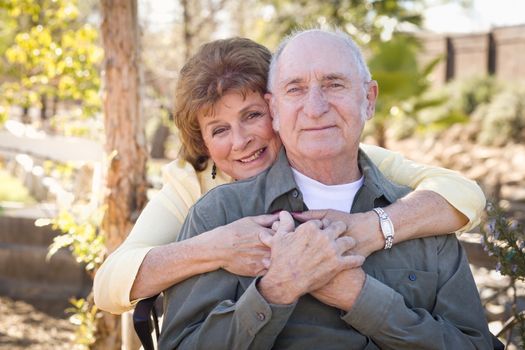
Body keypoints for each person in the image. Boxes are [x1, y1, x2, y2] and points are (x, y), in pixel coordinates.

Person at [93, 37, 485, 316]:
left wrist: (369, 228)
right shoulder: (191, 185)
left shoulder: (343, 156)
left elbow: (463, 193)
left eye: (252, 116)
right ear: (204, 143)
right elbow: (108, 285)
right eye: (219, 130)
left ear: (277, 109)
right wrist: (218, 246)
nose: (242, 141)